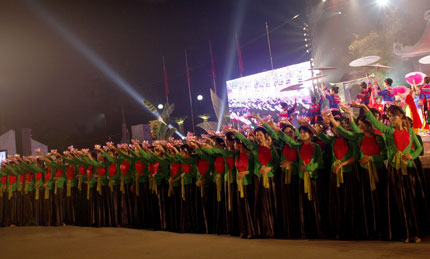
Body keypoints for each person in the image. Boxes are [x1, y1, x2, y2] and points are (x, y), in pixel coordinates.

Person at [354, 103, 428, 242]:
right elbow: (376, 124)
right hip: (395, 170)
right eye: (389, 116)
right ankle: (405, 233)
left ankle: (415, 233)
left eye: (393, 116)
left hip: (409, 169)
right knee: (399, 201)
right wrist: (365, 109)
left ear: (400, 116)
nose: (391, 119)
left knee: (411, 201)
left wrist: (412, 155)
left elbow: (418, 148)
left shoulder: (410, 131)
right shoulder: (389, 132)